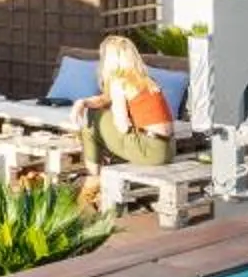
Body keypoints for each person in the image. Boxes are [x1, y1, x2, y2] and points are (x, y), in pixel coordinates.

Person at [69, 32, 173, 203]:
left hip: (148, 151)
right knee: (96, 112)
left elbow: (122, 126)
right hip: (166, 150)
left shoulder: (119, 81)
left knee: (92, 118)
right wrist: (83, 101)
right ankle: (100, 172)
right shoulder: (145, 80)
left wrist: (96, 113)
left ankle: (93, 178)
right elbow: (105, 98)